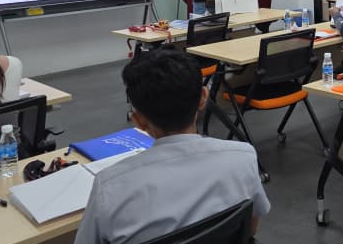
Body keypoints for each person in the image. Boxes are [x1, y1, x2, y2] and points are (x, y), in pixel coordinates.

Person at [75, 48, 270, 244]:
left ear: (138, 120)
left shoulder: (109, 187)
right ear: (203, 98)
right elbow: (249, 230)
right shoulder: (243, 157)